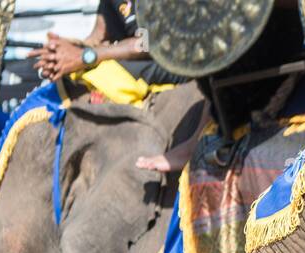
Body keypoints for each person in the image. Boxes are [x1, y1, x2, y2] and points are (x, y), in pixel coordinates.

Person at [30, 0, 201, 172]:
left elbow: (157, 41)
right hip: (132, 61)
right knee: (77, 77)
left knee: (105, 73)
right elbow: (98, 37)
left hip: (176, 61)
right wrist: (62, 52)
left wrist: (85, 56)